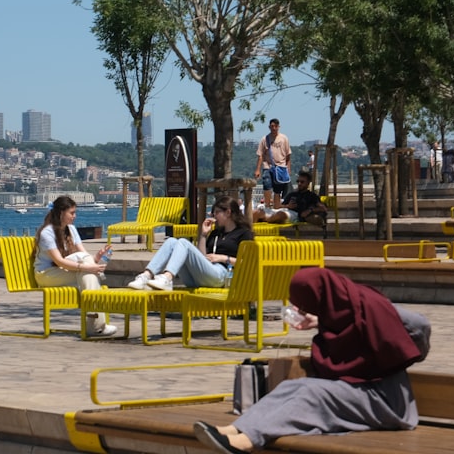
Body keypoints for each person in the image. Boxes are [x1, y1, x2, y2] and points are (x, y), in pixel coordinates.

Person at [193, 268, 431, 453]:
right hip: (357, 390)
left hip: (385, 400)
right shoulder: (338, 308)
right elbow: (343, 325)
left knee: (314, 395)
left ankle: (247, 441)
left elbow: (420, 325)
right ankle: (236, 428)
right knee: (294, 386)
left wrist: (407, 354)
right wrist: (320, 322)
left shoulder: (370, 306)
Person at [126, 195, 253, 291]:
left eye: (217, 212)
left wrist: (223, 258)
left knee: (182, 242)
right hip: (203, 275)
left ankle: (167, 278)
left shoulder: (243, 233)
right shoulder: (216, 233)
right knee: (171, 241)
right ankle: (146, 276)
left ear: (228, 212)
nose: (214, 216)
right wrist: (203, 235)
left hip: (223, 274)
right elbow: (203, 257)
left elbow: (248, 262)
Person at [33, 196, 118, 337]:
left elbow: (83, 254)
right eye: (72, 213)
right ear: (61, 213)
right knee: (87, 271)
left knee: (88, 274)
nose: (75, 216)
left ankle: (94, 322)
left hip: (63, 271)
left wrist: (97, 257)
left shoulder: (71, 229)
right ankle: (96, 324)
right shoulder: (47, 233)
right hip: (46, 274)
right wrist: (88, 267)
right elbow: (59, 261)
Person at [258, 173, 329, 228]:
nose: (299, 184)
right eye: (298, 181)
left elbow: (323, 208)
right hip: (285, 210)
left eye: (302, 182)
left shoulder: (311, 196)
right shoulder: (292, 194)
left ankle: (264, 219)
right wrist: (287, 206)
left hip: (294, 215)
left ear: (308, 183)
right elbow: (279, 206)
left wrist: (310, 210)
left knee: (280, 215)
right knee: (258, 212)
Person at [254, 118, 292, 209]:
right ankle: (267, 206)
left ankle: (276, 207)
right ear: (269, 127)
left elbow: (288, 155)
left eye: (275, 126)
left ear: (278, 127)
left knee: (277, 189)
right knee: (267, 185)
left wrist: (288, 168)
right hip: (268, 165)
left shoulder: (284, 138)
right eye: (272, 126)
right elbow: (260, 155)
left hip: (281, 167)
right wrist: (258, 169)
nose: (273, 128)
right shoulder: (265, 139)